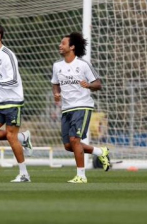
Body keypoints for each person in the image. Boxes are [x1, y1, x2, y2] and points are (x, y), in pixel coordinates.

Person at [51, 32, 110, 183]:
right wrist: (56, 94)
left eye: (63, 43)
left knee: (74, 139)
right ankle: (100, 151)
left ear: (72, 47)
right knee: (68, 145)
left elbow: (98, 84)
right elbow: (55, 83)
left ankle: (81, 176)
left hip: (82, 106)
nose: (60, 45)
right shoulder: (57, 66)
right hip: (66, 108)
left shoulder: (83, 65)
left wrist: (89, 85)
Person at [0, 22, 32, 182]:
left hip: (13, 102)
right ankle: (23, 137)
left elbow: (14, 81)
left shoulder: (7, 55)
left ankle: (24, 174)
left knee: (11, 137)